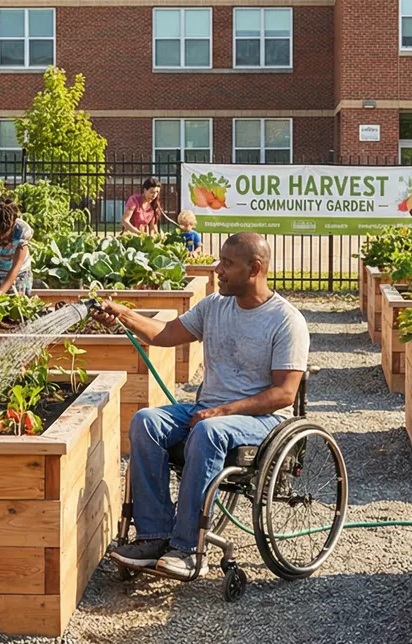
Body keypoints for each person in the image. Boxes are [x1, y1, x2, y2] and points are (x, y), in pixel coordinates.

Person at [97, 233, 308, 581]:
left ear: (254, 269)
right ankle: (153, 537)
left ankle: (188, 549)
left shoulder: (286, 320)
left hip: (261, 420)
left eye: (227, 263)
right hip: (212, 412)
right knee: (145, 421)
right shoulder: (214, 306)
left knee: (208, 430)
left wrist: (223, 412)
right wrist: (122, 314)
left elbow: (284, 394)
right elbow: (164, 334)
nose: (217, 269)